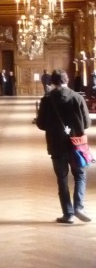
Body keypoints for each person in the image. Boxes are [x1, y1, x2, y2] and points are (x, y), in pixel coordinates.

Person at [35, 69, 92, 224]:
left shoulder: (47, 99)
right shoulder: (77, 97)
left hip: (56, 145)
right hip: (77, 144)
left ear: (52, 81)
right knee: (80, 175)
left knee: (62, 179)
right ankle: (79, 207)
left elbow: (41, 124)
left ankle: (68, 214)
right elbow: (87, 123)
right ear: (67, 80)